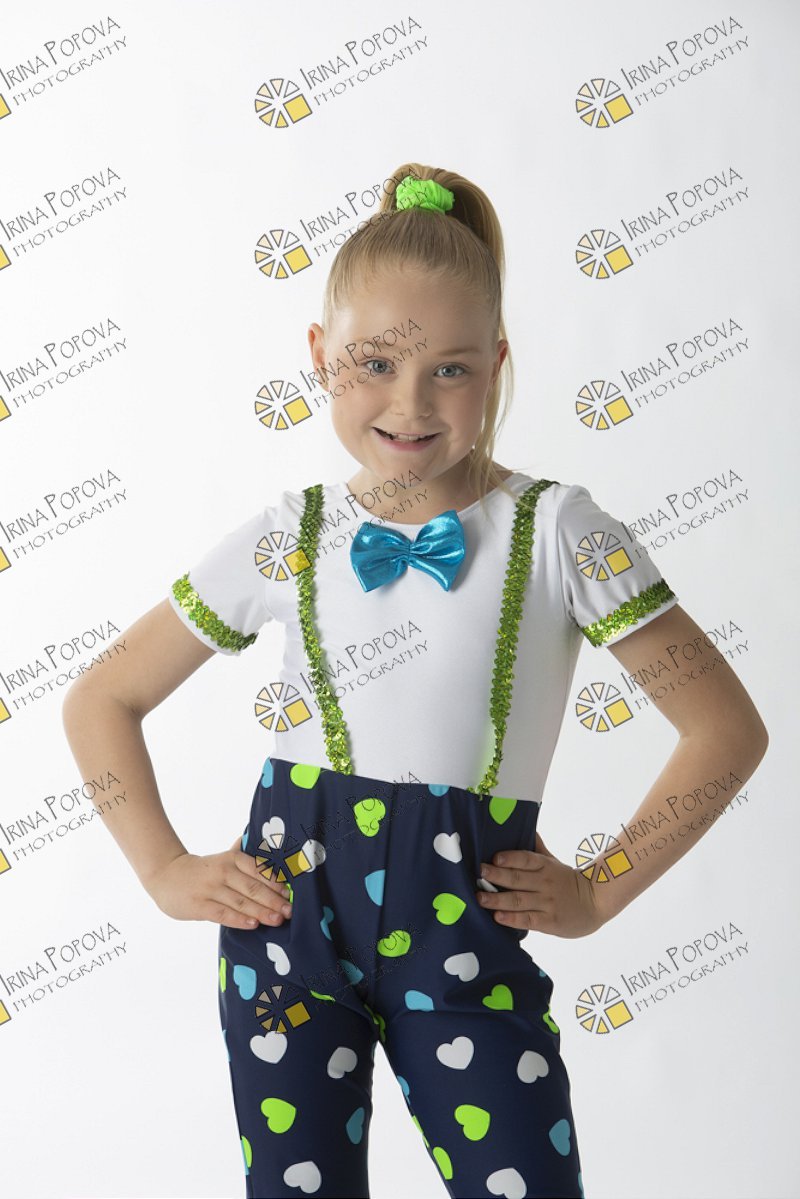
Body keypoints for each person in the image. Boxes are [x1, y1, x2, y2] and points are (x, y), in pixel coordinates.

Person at [62, 163, 769, 1199]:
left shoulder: (560, 531)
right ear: (319, 355)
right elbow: (101, 697)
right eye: (376, 363)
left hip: (466, 936)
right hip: (285, 932)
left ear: (497, 362)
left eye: (450, 369)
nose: (409, 402)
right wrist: (164, 867)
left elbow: (724, 730)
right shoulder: (288, 534)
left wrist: (599, 887)